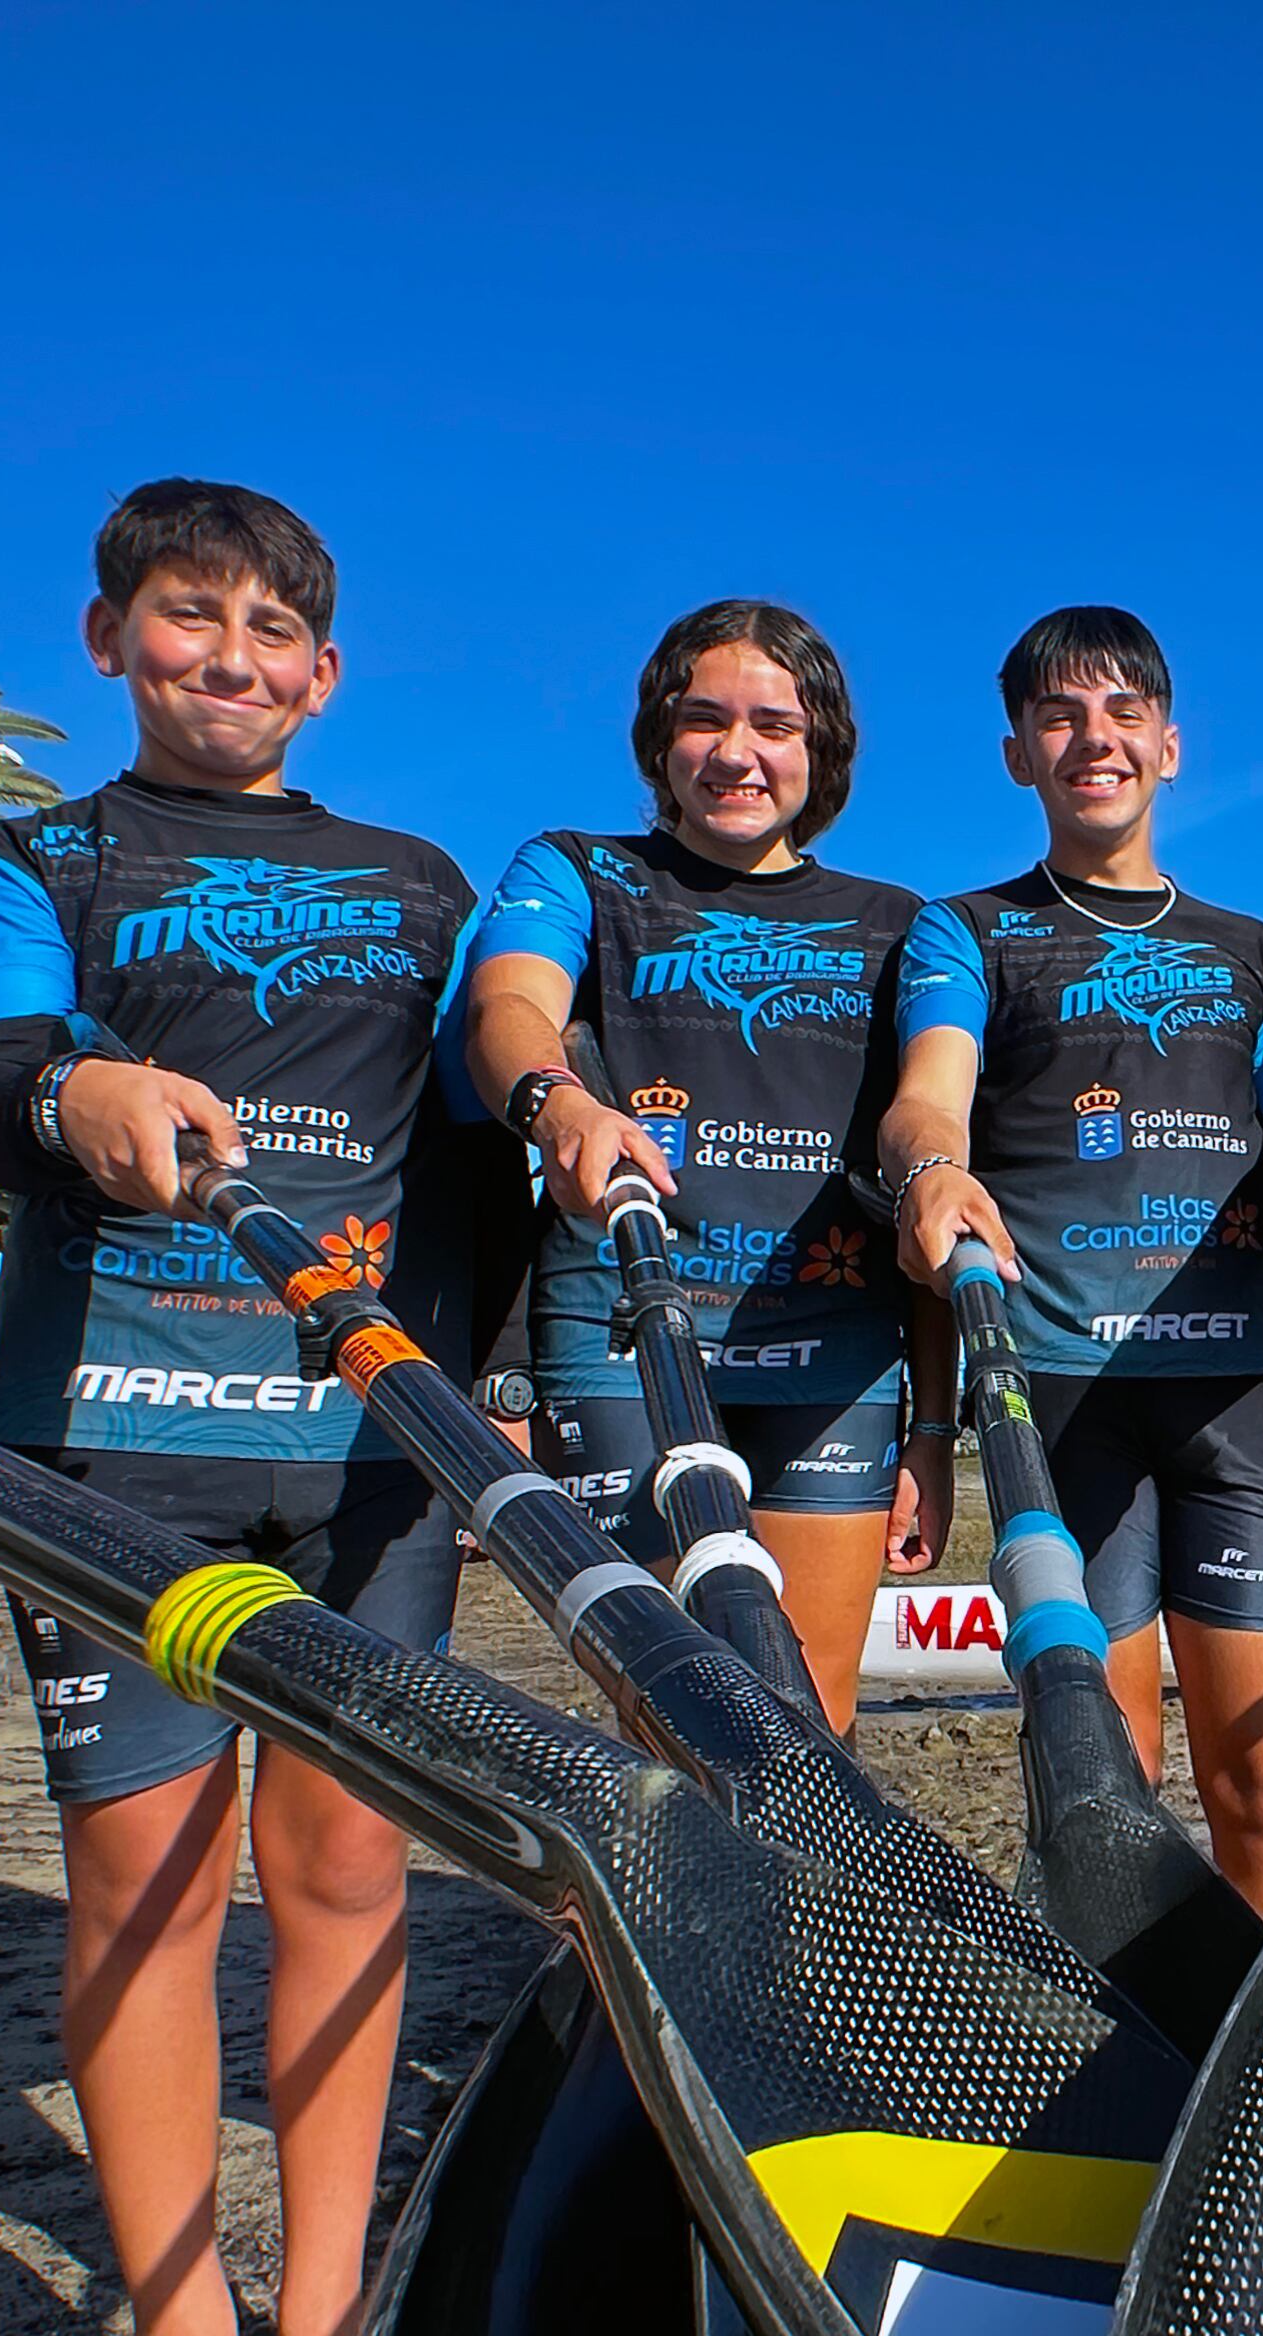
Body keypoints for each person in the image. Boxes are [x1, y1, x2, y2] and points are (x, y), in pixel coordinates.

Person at [0, 480, 480, 2336]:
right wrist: (71, 1097)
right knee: (145, 1901)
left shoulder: (418, 882)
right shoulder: (31, 858)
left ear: (324, 676)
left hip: (362, 1462)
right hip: (109, 1455)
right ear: (108, 638)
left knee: (339, 1880)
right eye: (186, 619)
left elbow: (483, 1155)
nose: (227, 662)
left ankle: (324, 2302)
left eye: (268, 636)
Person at [874, 606, 1263, 1909]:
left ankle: (1252, 2041)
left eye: (1124, 713)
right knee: (1103, 1781)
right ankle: (1123, 2055)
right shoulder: (966, 932)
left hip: (1235, 1399)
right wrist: (934, 1164)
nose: (1094, 740)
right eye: (1060, 716)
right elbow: (926, 1100)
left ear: (1172, 747)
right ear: (1019, 752)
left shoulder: (1260, 956)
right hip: (1062, 1396)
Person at [458, 599, 953, 1729]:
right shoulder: (577, 872)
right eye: (704, 721)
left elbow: (922, 1172)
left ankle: (788, 1916)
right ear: (658, 739)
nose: (737, 753)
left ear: (819, 750)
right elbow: (508, 1007)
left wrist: (932, 1422)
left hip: (832, 1351)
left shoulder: (902, 925)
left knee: (811, 1711)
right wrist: (557, 1100)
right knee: (668, 1707)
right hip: (621, 1333)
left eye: (774, 725)